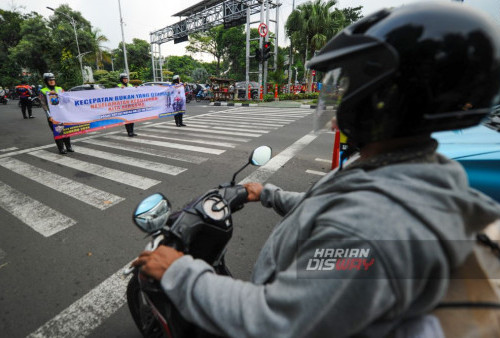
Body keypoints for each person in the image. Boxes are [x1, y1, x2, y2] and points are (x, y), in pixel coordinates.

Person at [132, 3, 500, 337]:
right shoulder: (412, 165)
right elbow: (336, 203)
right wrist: (270, 194)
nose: (337, 97)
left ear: (386, 97)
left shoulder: (367, 229)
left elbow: (273, 321)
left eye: (348, 84)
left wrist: (178, 272)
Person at [40, 73, 73, 154]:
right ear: (46, 81)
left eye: (53, 79)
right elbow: (44, 105)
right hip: (53, 115)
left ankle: (69, 147)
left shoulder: (60, 89)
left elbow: (66, 100)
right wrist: (49, 116)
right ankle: (61, 148)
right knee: (58, 131)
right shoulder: (43, 91)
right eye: (50, 80)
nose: (52, 81)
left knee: (66, 130)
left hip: (62, 114)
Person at [117, 73, 137, 137]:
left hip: (131, 104)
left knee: (132, 119)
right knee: (127, 119)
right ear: (121, 79)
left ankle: (132, 131)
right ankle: (129, 132)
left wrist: (136, 88)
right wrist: (120, 90)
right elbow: (115, 94)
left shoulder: (130, 85)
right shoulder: (118, 85)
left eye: (126, 79)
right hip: (124, 105)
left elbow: (134, 92)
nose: (125, 80)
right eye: (124, 79)